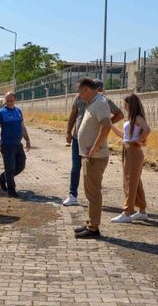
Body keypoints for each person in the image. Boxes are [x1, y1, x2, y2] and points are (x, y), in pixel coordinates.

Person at [64, 79, 123, 206]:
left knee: (91, 171)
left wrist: (103, 127)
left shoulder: (102, 101)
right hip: (76, 139)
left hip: (91, 143)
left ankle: (93, 198)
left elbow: (119, 114)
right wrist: (68, 132)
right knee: (75, 167)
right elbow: (73, 115)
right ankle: (72, 195)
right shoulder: (79, 98)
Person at [73, 77, 112, 238]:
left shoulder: (100, 102)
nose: (79, 95)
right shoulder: (93, 103)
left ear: (86, 89)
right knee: (90, 191)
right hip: (89, 156)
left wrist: (95, 146)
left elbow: (107, 125)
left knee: (93, 192)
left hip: (95, 157)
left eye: (79, 91)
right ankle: (91, 222)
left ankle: (94, 228)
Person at [110, 94, 151, 223]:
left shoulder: (137, 118)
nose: (124, 106)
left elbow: (147, 129)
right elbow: (125, 136)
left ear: (131, 105)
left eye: (126, 104)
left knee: (129, 182)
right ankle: (142, 211)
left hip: (133, 151)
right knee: (135, 181)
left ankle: (127, 212)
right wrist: (111, 126)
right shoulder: (132, 119)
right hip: (128, 149)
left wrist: (139, 140)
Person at [0, 92, 31, 197]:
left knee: (21, 165)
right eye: (7, 101)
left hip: (18, 144)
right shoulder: (1, 113)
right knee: (10, 168)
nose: (9, 102)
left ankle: (2, 178)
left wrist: (27, 140)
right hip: (7, 145)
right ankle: (12, 191)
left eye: (11, 100)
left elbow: (22, 127)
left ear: (15, 100)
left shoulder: (18, 111)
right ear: (5, 101)